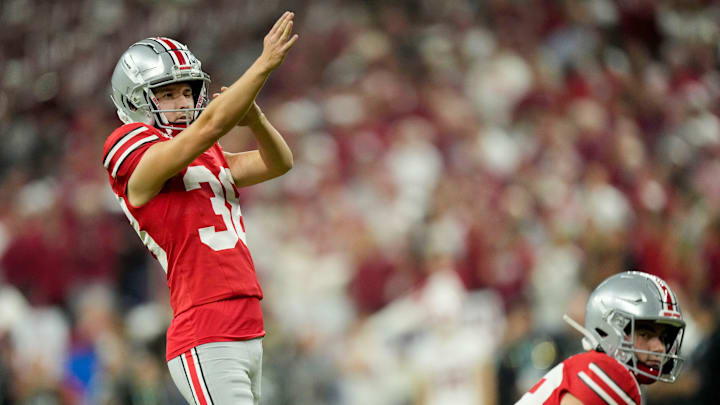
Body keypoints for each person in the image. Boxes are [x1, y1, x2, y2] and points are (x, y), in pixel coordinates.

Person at [102, 11, 299, 405]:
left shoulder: (205, 152)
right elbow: (209, 126)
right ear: (136, 100)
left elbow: (278, 163)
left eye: (187, 91)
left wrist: (255, 118)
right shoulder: (127, 144)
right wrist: (262, 66)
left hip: (245, 321)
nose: (182, 102)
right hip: (204, 327)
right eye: (167, 93)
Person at [516, 271, 686, 405]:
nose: (660, 348)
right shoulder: (608, 373)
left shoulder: (594, 367)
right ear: (609, 329)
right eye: (645, 335)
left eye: (663, 338)